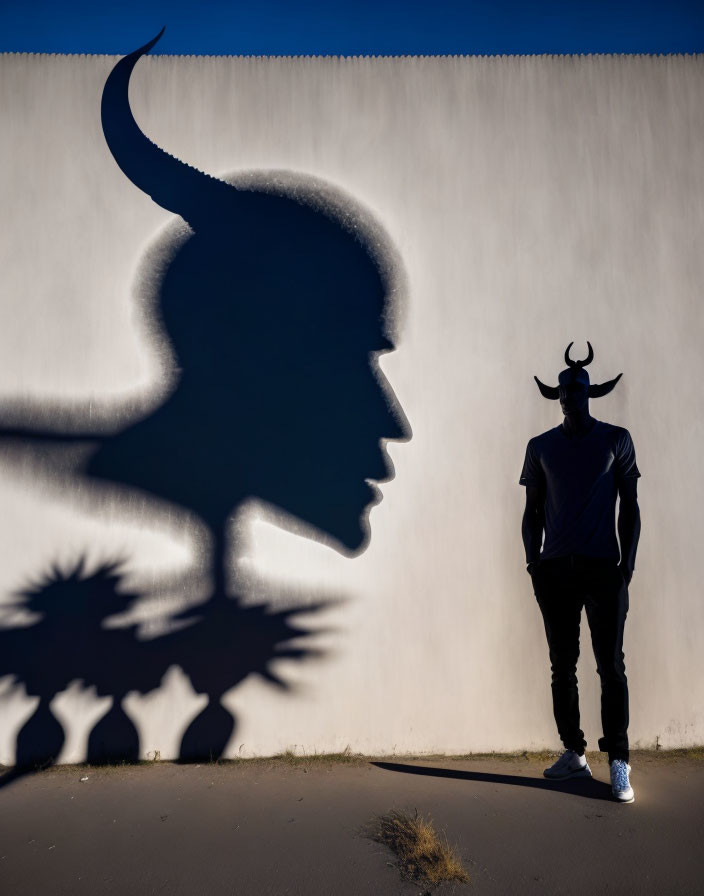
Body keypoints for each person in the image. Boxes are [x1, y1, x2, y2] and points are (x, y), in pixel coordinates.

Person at [520, 343, 641, 803]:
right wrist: (533, 563)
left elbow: (630, 506)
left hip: (603, 570)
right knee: (562, 666)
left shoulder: (616, 439)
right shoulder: (540, 447)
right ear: (557, 396)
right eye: (565, 390)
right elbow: (531, 511)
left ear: (591, 393)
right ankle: (574, 751)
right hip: (555, 571)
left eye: (579, 389)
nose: (571, 395)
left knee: (611, 666)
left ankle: (619, 762)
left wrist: (626, 568)